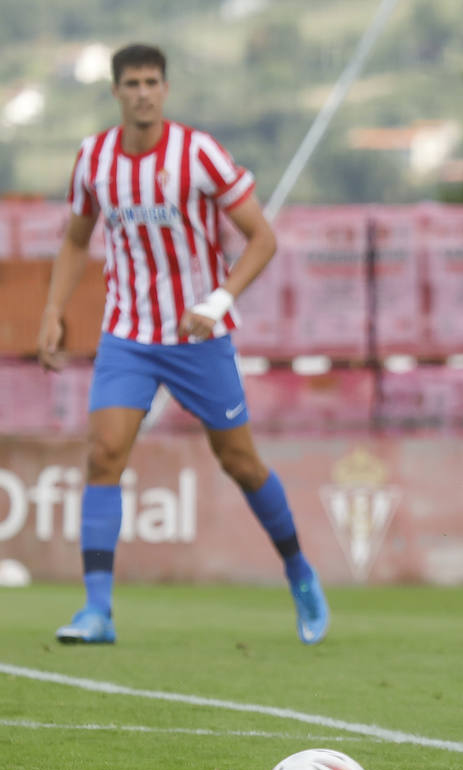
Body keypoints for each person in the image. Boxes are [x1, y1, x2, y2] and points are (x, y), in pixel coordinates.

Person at [37, 43, 330, 646]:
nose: (143, 92)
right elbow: (74, 239)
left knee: (240, 463)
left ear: (165, 89)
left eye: (152, 81)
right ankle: (98, 611)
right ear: (116, 92)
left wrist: (218, 301)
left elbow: (261, 238)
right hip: (128, 333)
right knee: (103, 454)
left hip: (200, 336)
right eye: (132, 83)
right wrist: (53, 311)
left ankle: (299, 570)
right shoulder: (93, 159)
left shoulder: (198, 154)